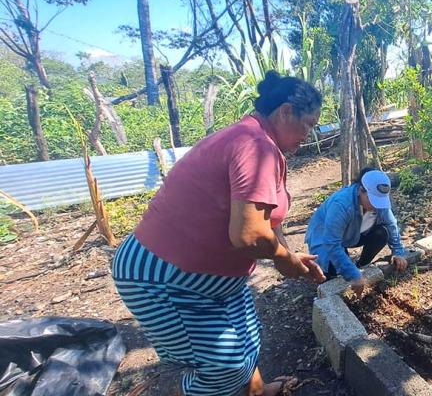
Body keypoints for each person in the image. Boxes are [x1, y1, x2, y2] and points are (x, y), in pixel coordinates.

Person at [111, 71, 326, 396]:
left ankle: (256, 391)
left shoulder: (264, 143)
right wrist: (284, 260)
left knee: (250, 339)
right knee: (224, 367)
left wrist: (289, 253)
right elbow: (249, 235)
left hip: (213, 280)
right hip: (162, 276)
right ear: (285, 112)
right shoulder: (254, 146)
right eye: (308, 124)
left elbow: (267, 218)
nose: (309, 134)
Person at [305, 167, 408, 295]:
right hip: (324, 238)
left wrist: (398, 251)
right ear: (360, 190)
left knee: (382, 233)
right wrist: (353, 275)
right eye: (373, 199)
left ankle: (361, 264)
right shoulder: (341, 204)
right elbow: (331, 243)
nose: (377, 205)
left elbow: (391, 224)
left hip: (352, 234)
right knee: (331, 270)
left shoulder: (379, 203)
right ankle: (331, 276)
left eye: (379, 200)